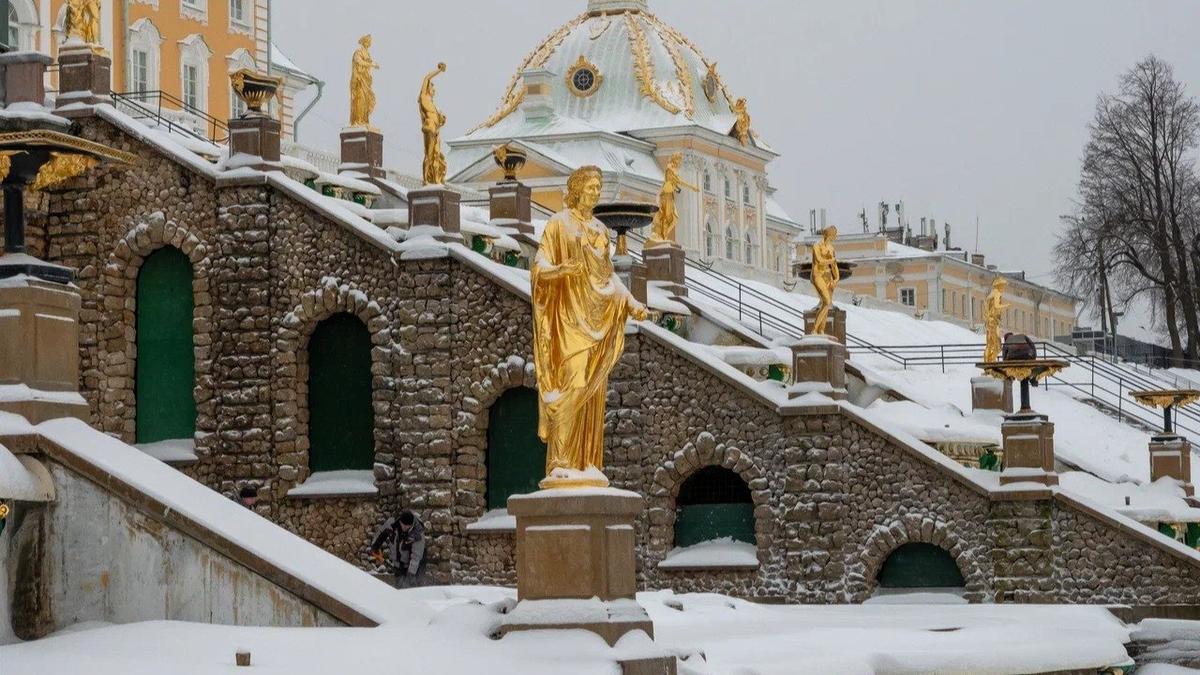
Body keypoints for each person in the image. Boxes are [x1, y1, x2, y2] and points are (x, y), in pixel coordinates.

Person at [370, 510, 428, 588]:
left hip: (417, 562)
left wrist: (411, 573)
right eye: (404, 525)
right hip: (399, 562)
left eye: (408, 526)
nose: (406, 528)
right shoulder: (392, 524)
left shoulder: (417, 532)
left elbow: (416, 556)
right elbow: (381, 533)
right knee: (400, 586)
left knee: (414, 585)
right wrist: (375, 546)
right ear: (400, 522)